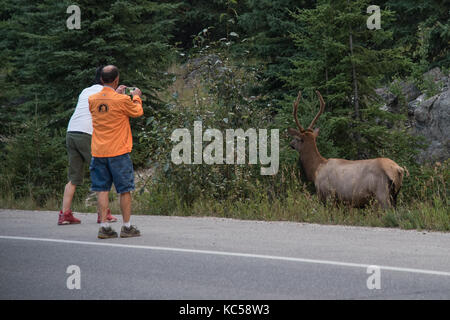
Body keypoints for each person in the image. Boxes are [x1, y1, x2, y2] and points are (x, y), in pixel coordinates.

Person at [88, 65, 143, 239]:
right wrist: (136, 97)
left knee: (102, 189)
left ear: (102, 80)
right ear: (117, 79)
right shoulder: (121, 101)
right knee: (124, 189)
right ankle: (126, 226)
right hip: (118, 151)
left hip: (99, 151)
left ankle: (104, 226)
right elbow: (137, 111)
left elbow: (107, 106)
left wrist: (115, 94)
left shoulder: (92, 99)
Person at [58, 66, 118, 225]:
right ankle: (103, 214)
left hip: (71, 132)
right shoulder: (104, 94)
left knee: (74, 176)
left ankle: (65, 213)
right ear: (105, 79)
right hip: (87, 133)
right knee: (100, 173)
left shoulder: (85, 91)